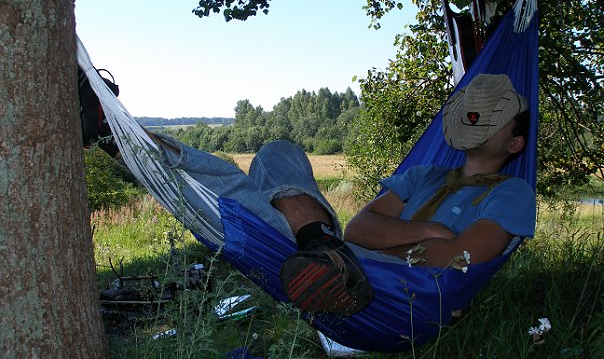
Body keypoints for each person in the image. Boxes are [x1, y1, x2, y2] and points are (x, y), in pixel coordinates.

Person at [80, 70, 535, 317]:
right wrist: (430, 230)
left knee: (238, 203)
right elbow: (359, 229)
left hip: (394, 290)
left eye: (495, 120)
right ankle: (318, 246)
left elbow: (454, 261)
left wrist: (405, 241)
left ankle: (117, 136)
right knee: (278, 151)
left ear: (515, 144)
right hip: (343, 257)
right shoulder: (424, 175)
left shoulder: (512, 193)